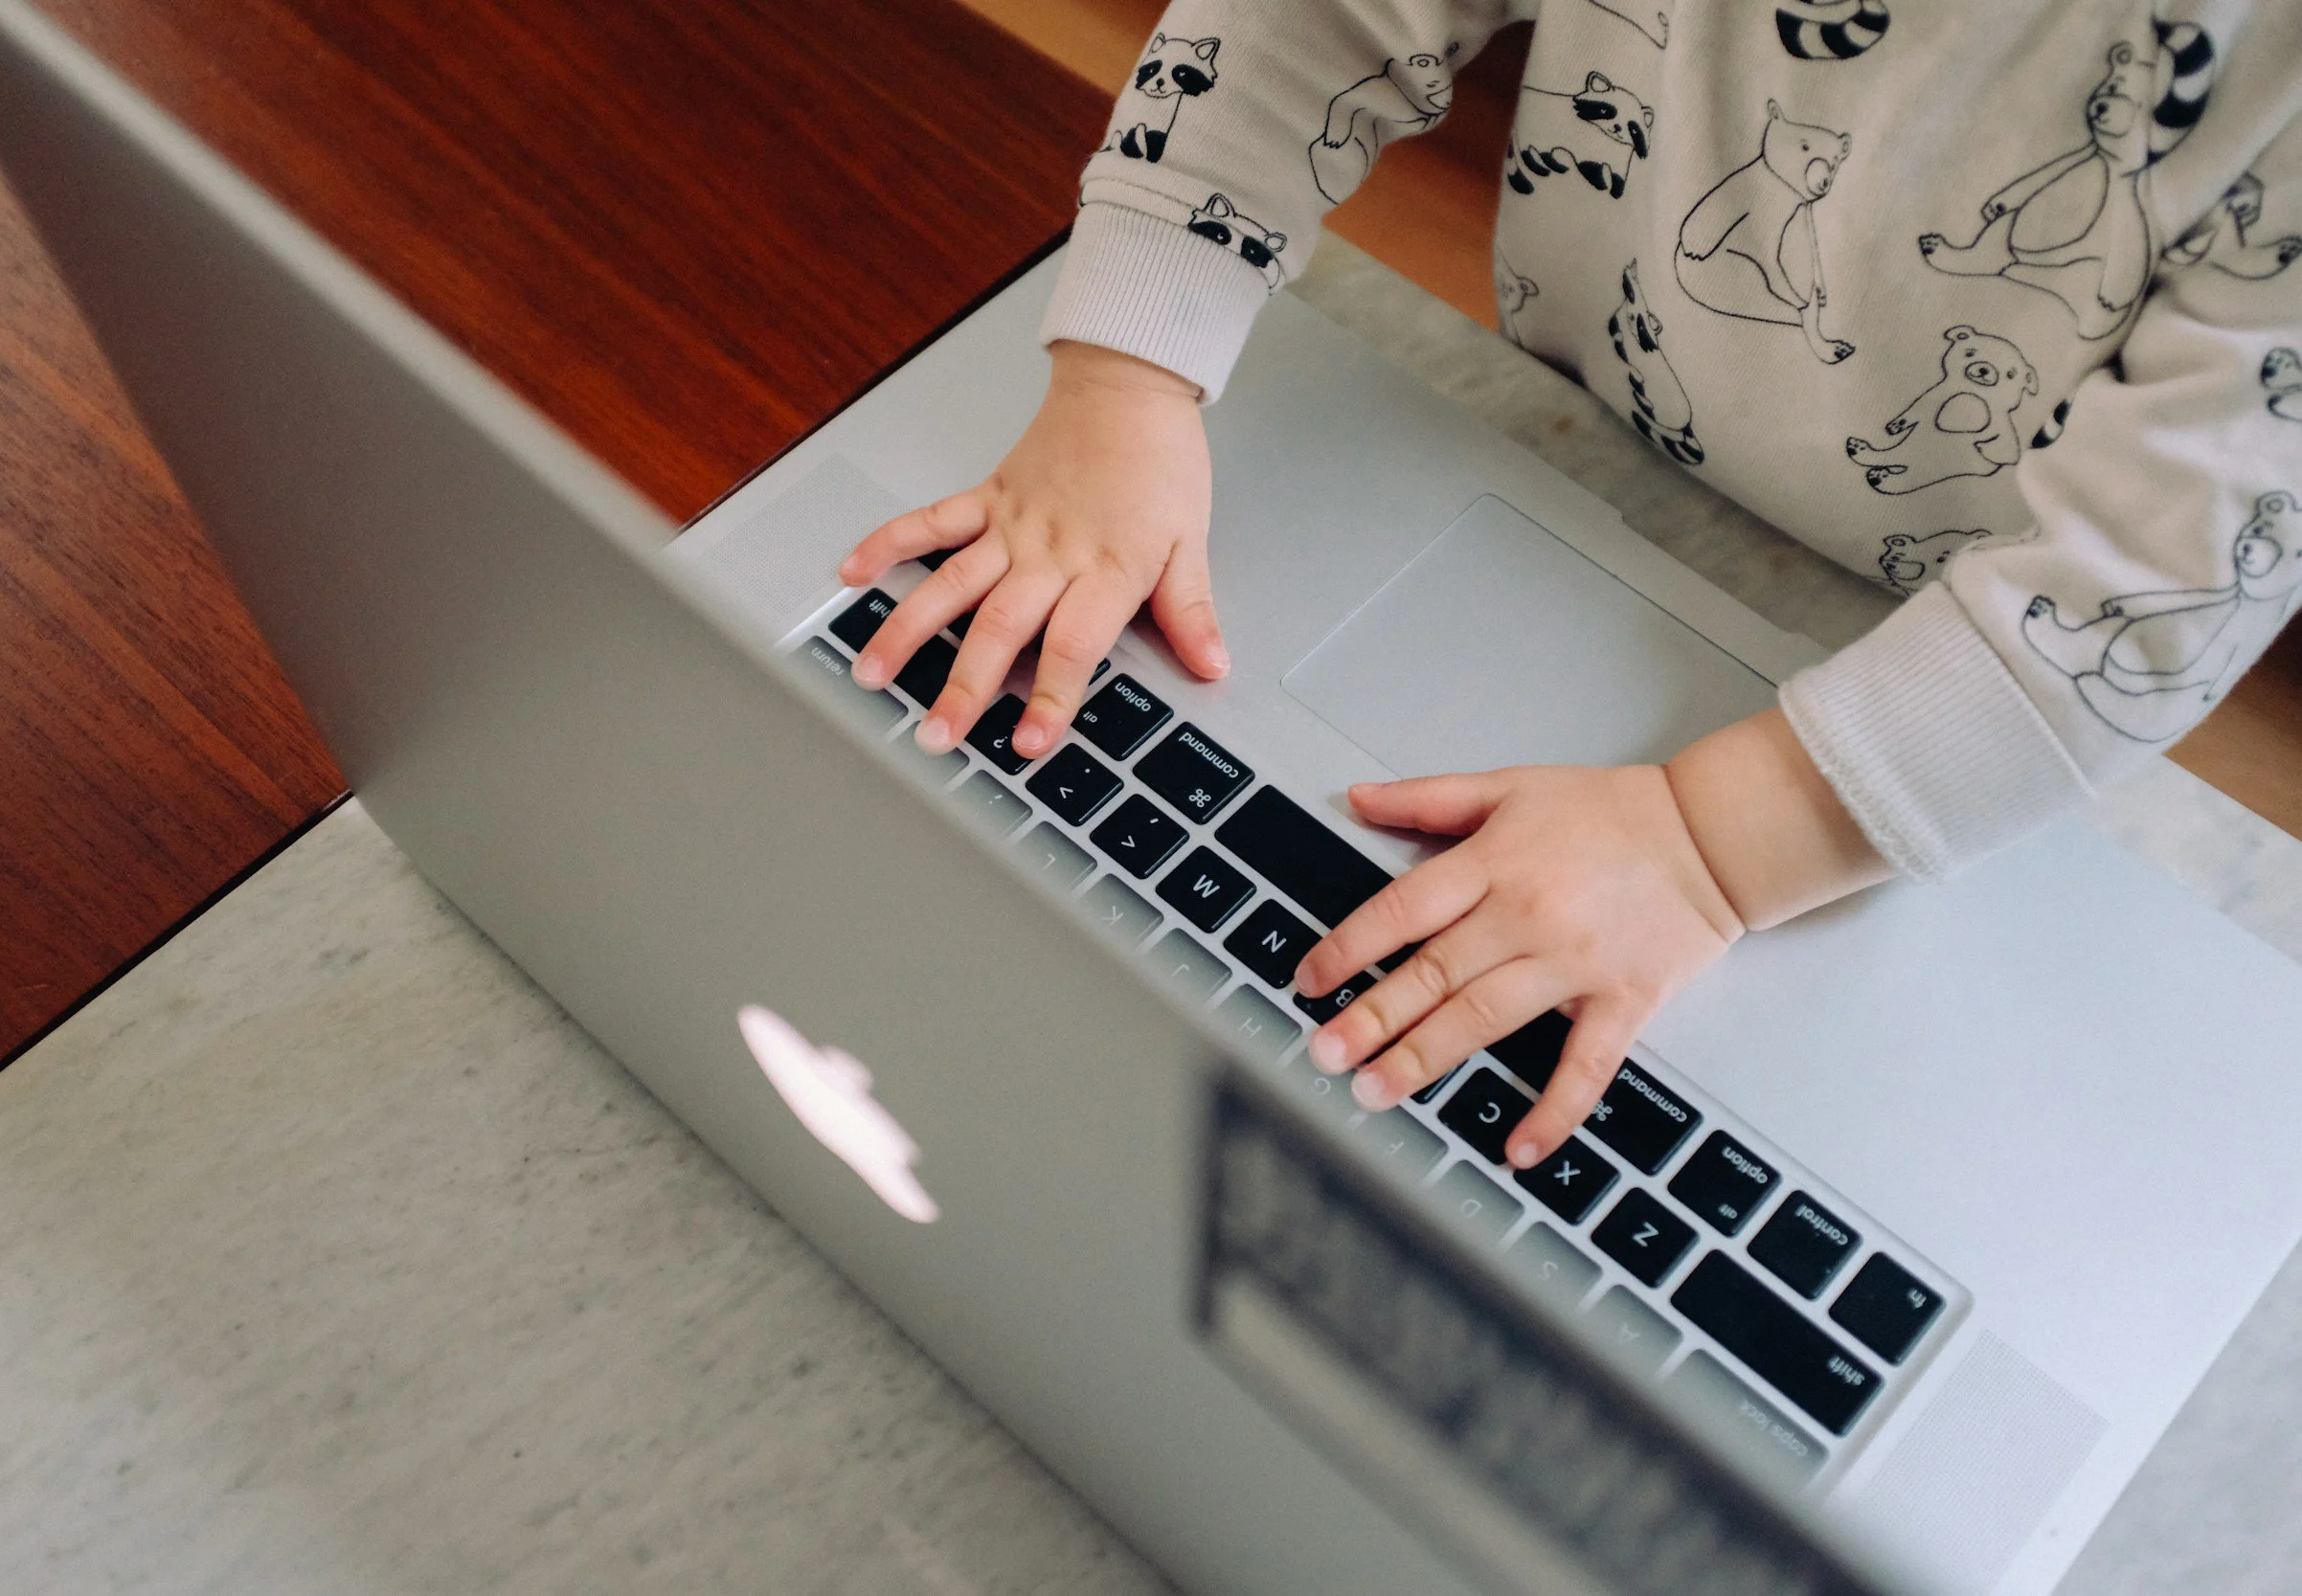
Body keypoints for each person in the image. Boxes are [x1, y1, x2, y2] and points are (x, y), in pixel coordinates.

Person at [839, 0, 2302, 1167]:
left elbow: (2141, 602)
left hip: (1943, 642)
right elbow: (1304, 27)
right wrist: (1126, 370)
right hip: (1580, 422)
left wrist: (1710, 847)